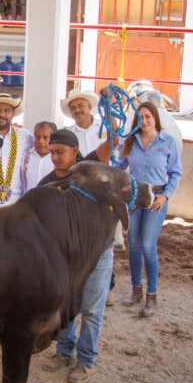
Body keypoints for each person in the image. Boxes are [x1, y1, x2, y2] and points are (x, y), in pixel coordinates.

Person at [39, 128, 115, 383]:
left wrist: (114, 127)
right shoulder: (47, 183)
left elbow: (112, 142)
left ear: (75, 151)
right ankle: (63, 352)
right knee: (66, 306)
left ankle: (86, 361)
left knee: (92, 310)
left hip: (97, 252)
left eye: (59, 152)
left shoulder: (90, 169)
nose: (54, 158)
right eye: (52, 153)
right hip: (67, 255)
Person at [116, 102, 183, 317]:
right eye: (141, 117)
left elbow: (176, 173)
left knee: (147, 246)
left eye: (148, 116)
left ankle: (151, 296)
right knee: (133, 245)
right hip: (135, 197)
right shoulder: (130, 141)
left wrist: (165, 196)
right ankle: (136, 290)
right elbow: (119, 166)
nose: (144, 121)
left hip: (156, 198)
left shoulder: (168, 142)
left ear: (155, 118)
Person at [62, 87, 118, 304]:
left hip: (103, 190)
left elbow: (114, 139)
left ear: (89, 107)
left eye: (80, 105)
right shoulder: (68, 133)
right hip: (79, 192)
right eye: (73, 107)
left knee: (105, 238)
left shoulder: (103, 127)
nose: (77, 110)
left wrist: (110, 108)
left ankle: (108, 285)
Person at [21, 121, 56, 193]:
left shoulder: (58, 159)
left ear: (53, 139)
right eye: (37, 137)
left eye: (45, 137)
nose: (40, 141)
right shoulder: (24, 156)